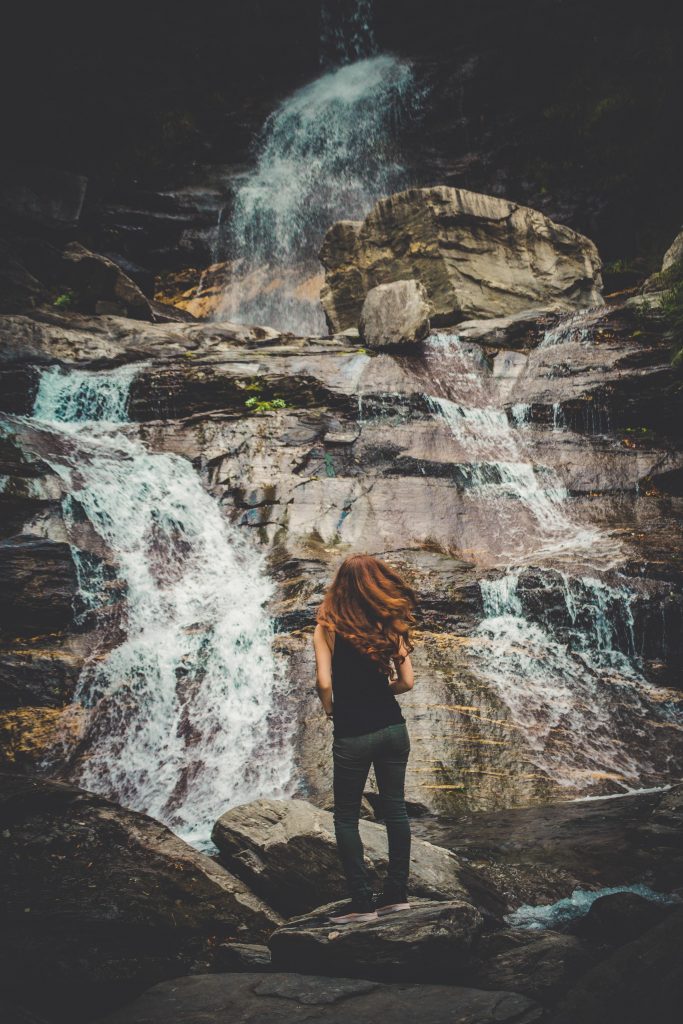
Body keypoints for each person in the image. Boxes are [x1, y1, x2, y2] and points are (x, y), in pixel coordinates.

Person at [313, 553, 416, 924]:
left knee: (346, 818)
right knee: (396, 811)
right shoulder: (390, 622)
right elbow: (406, 682)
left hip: (353, 732)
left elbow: (324, 682)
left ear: (340, 585)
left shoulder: (326, 626)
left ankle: (361, 904)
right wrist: (379, 691)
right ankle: (397, 895)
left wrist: (333, 709)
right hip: (393, 728)